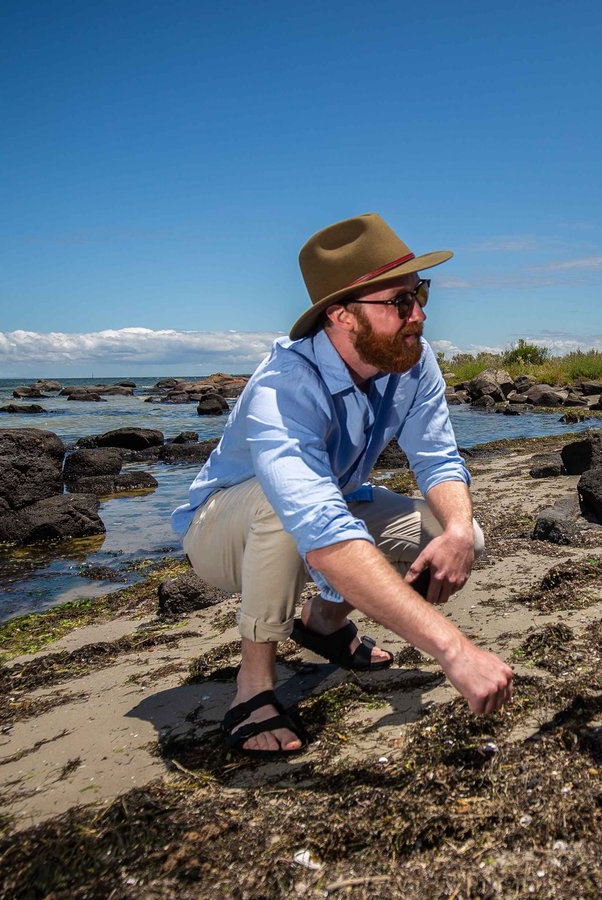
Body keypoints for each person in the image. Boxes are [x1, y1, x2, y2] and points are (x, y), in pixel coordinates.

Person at [172, 213, 513, 757]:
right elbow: (318, 524)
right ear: (341, 316)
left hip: (330, 507)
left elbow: (438, 458)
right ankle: (253, 686)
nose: (419, 315)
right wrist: (453, 651)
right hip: (221, 534)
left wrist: (453, 529)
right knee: (281, 504)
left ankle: (325, 625)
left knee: (458, 534)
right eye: (400, 303)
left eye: (419, 294)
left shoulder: (412, 361)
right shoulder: (283, 388)